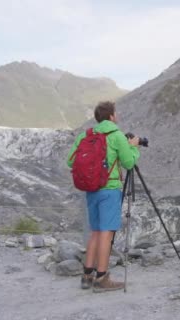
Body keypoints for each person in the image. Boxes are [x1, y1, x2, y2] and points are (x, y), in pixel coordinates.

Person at [67, 101, 140, 293]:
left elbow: (71, 160)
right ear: (111, 117)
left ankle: (86, 276)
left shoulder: (86, 135)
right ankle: (101, 278)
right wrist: (133, 146)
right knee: (106, 234)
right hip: (110, 189)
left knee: (96, 232)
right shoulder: (116, 136)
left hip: (91, 189)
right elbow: (129, 162)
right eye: (116, 113)